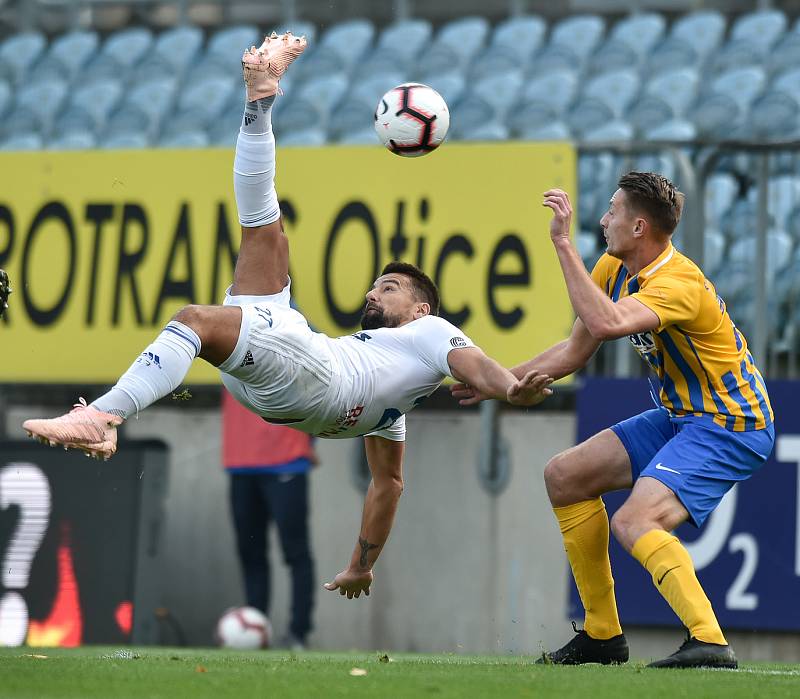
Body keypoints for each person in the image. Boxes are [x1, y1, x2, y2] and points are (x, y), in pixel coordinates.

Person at [22, 32, 553, 602]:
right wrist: (361, 565)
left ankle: (104, 416)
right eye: (377, 282)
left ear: (422, 308)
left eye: (391, 287)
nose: (376, 291)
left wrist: (511, 388)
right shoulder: (392, 406)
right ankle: (261, 96)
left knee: (195, 321)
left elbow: (477, 365)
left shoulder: (431, 331)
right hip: (301, 369)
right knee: (265, 229)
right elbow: (388, 485)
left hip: (313, 376)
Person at [452, 172, 774, 669]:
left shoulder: (678, 284)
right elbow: (578, 348)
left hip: (731, 424)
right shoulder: (613, 266)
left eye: (612, 212)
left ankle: (709, 642)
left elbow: (607, 324)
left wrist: (562, 242)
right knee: (565, 475)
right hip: (681, 418)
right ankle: (602, 637)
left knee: (635, 520)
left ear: (639, 227)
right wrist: (498, 380)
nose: (602, 221)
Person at [222, 390, 317, 650]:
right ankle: (255, 628)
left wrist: (313, 438)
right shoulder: (227, 351)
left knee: (295, 552)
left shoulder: (295, 349)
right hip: (240, 463)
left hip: (287, 461)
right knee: (250, 552)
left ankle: (299, 632)